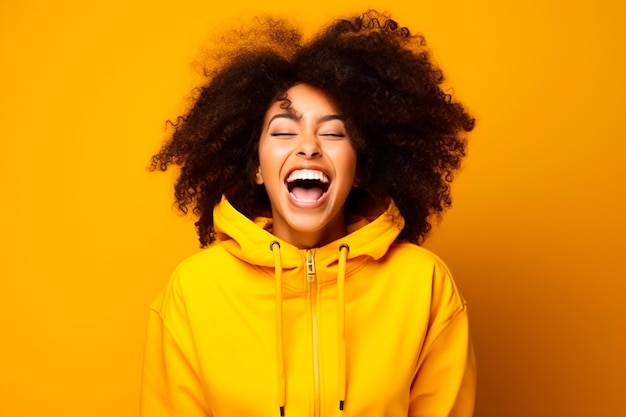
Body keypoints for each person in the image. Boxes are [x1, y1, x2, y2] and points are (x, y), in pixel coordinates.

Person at [141, 10, 476, 417]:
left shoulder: (423, 284)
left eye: (334, 133)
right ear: (257, 168)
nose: (308, 147)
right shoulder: (194, 290)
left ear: (359, 169)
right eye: (284, 131)